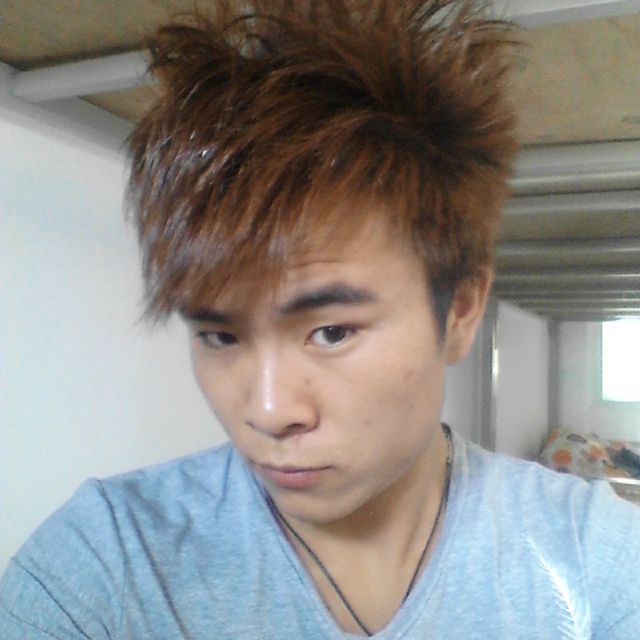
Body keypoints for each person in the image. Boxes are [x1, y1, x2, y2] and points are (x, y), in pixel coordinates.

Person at [1, 1, 639, 637]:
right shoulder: (107, 563)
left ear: (461, 310)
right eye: (220, 335)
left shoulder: (592, 558)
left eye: (331, 332)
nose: (269, 412)